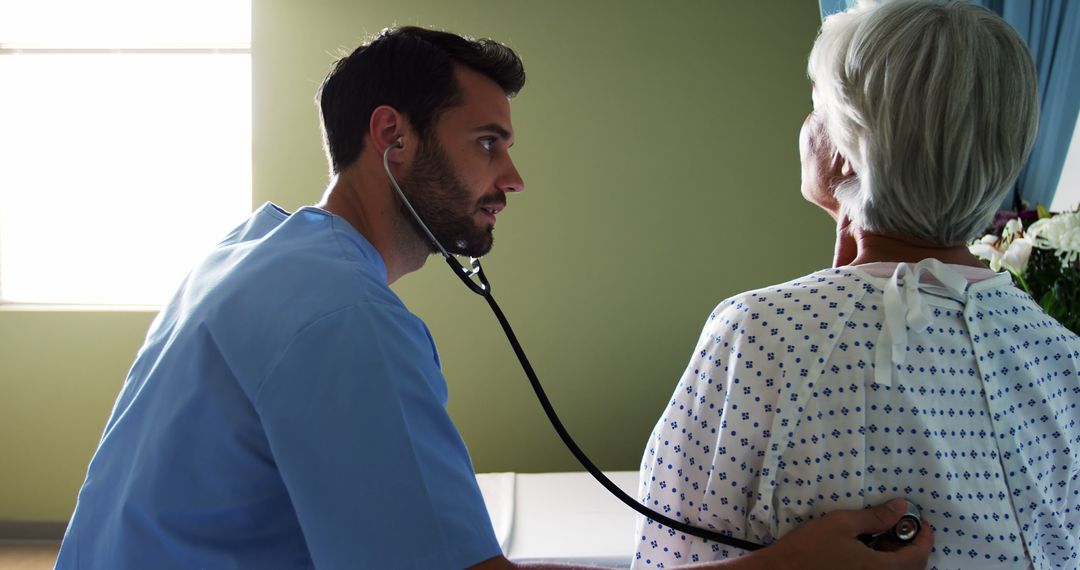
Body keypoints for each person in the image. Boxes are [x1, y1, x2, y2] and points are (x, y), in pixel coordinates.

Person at [55, 26, 931, 570]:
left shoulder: (253, 250)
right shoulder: (346, 320)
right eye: (486, 143)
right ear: (391, 136)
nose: (511, 177)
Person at [633, 1, 1080, 569]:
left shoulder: (757, 338)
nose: (804, 124)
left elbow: (664, 558)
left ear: (849, 150)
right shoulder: (1062, 360)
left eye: (816, 107)